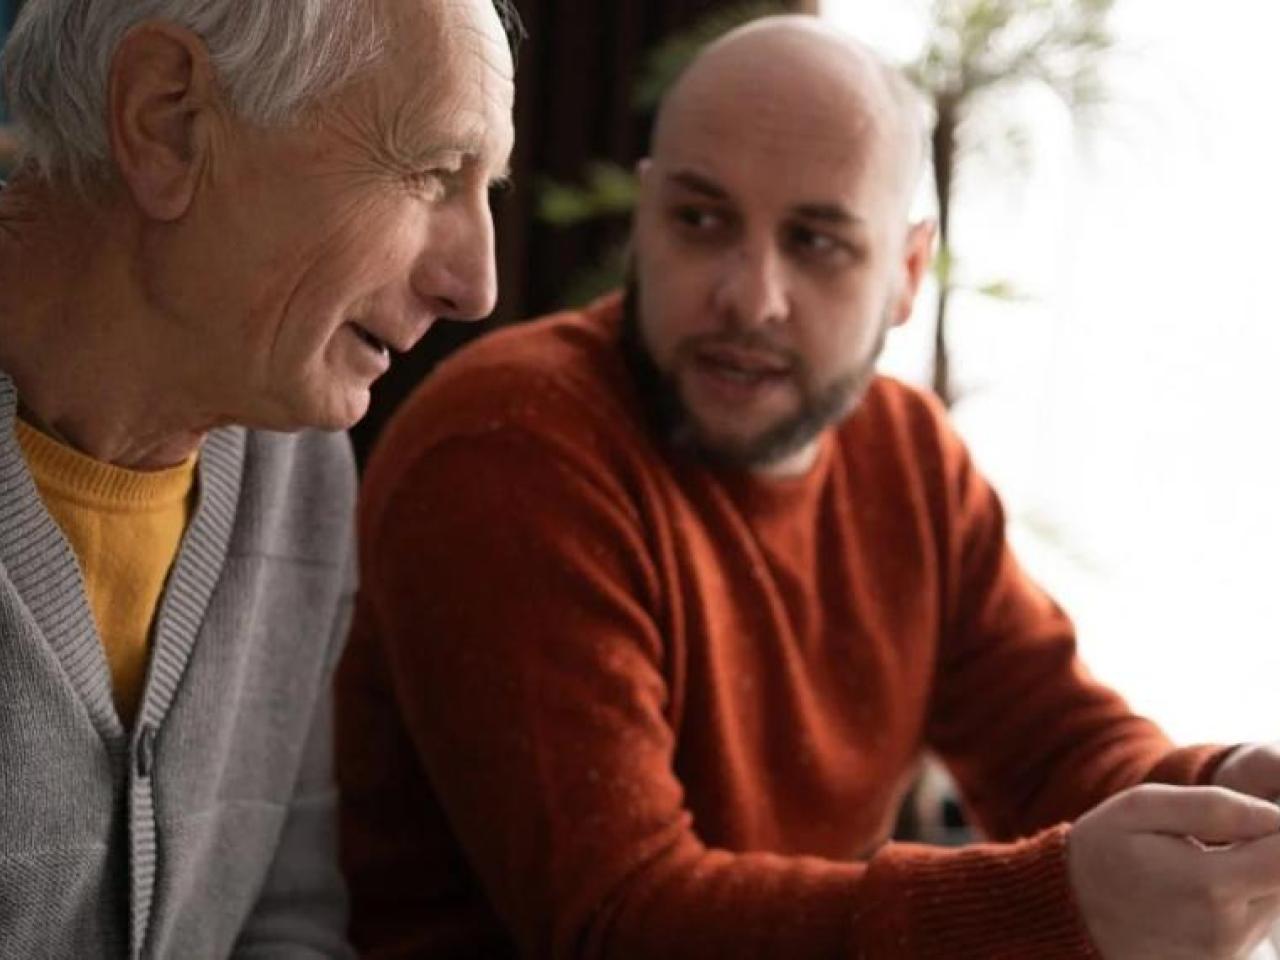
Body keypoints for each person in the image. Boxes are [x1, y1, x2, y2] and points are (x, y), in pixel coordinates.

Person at [337, 14, 1280, 960]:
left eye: (817, 242)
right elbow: (619, 919)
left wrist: (1234, 795)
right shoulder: (510, 444)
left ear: (906, 274)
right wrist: (1049, 902)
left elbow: (1057, 745)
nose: (751, 299)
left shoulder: (910, 456)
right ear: (645, 219)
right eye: (700, 221)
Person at [0, 0, 514, 956]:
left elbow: (288, 918)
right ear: (169, 120)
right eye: (433, 171)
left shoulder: (297, 465)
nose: (474, 285)